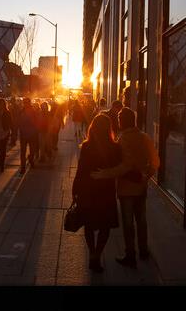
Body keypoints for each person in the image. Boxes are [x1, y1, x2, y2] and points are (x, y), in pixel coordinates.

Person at [91, 107, 160, 268]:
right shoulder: (145, 137)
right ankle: (143, 250)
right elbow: (156, 161)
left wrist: (105, 174)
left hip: (126, 189)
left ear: (124, 121)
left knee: (128, 223)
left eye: (120, 119)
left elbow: (124, 167)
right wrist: (146, 176)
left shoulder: (122, 140)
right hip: (141, 188)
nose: (118, 122)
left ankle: (130, 254)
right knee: (141, 220)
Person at [72, 113, 122, 273]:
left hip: (88, 190)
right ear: (109, 129)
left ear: (93, 128)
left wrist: (75, 189)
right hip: (106, 191)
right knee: (104, 225)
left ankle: (92, 253)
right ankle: (97, 254)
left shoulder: (87, 146)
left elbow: (81, 170)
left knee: (89, 223)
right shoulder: (115, 147)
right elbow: (118, 168)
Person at [17, 97, 39, 175]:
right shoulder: (21, 111)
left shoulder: (33, 112)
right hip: (23, 135)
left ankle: (31, 159)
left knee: (32, 150)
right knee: (23, 152)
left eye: (27, 103)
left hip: (32, 134)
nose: (26, 104)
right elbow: (18, 122)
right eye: (24, 103)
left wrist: (35, 131)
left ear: (29, 103)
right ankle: (23, 167)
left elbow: (37, 122)